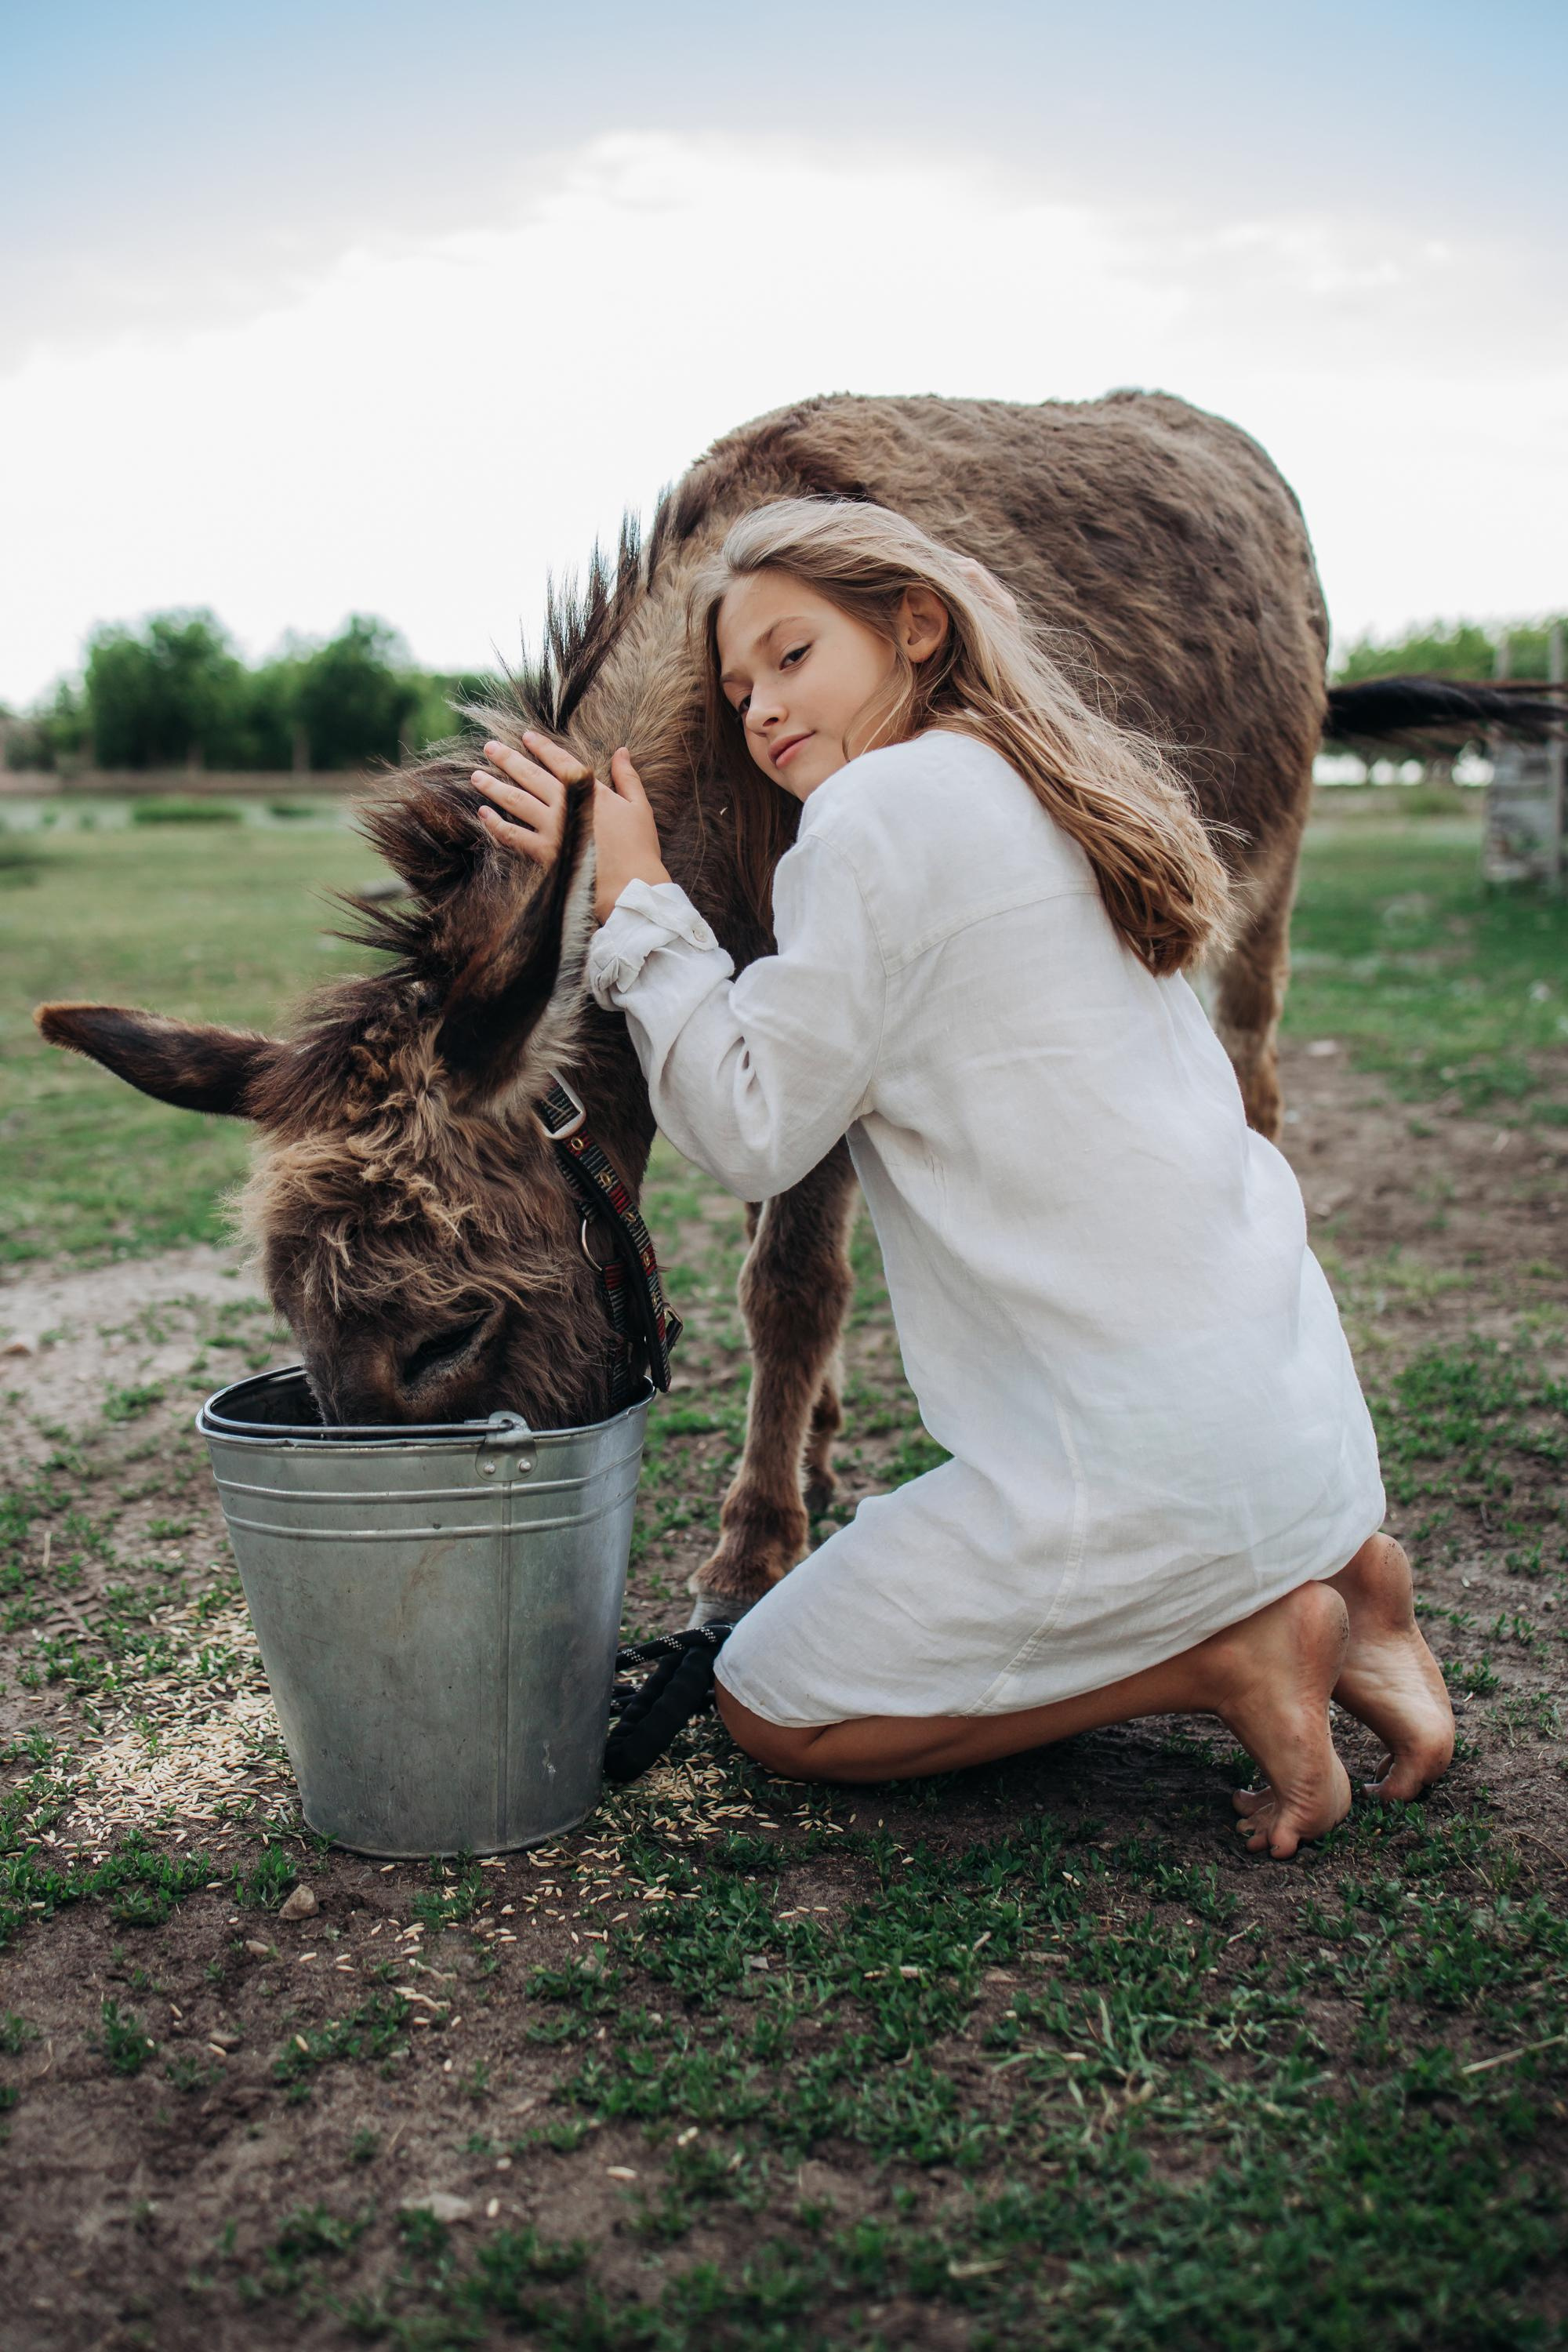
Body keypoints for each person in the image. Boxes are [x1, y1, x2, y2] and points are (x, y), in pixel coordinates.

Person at [474, 498, 1454, 1857]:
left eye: (793, 655)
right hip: (1297, 1431)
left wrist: (635, 896)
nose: (762, 708)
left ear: (917, 626)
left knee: (772, 1704)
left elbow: (754, 1130)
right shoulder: (1049, 783)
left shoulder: (870, 819)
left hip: (1135, 1466)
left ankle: (1228, 1659)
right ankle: (1358, 1583)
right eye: (740, 691)